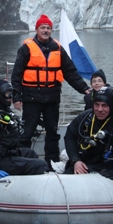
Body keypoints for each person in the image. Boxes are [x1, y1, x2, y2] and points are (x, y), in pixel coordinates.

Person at [11, 14, 91, 164]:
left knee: (52, 132)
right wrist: (17, 97)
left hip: (52, 97)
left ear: (51, 30)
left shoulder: (58, 49)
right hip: (31, 97)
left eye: (48, 28)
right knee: (27, 131)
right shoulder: (26, 48)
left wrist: (85, 89)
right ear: (37, 29)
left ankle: (51, 161)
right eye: (43, 27)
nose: (46, 30)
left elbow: (70, 73)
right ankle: (23, 159)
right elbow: (16, 75)